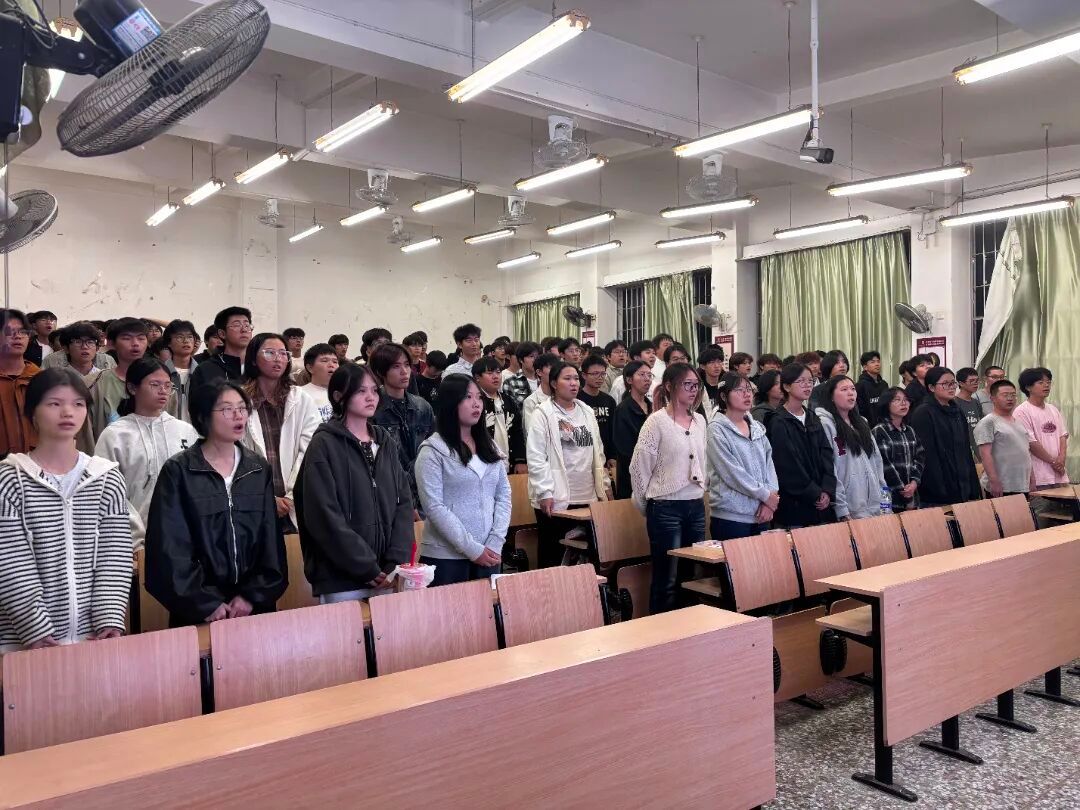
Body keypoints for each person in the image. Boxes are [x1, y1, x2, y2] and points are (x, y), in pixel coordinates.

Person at [0, 368, 132, 652]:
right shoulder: (10, 479)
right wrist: (34, 628)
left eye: (78, 404)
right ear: (33, 412)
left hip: (92, 639)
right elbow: (10, 562)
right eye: (54, 403)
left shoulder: (106, 477)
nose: (68, 412)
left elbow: (115, 553)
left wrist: (110, 616)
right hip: (22, 642)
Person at [145, 380, 287, 627]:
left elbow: (271, 543)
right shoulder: (179, 471)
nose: (238, 416)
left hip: (253, 609)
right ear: (203, 416)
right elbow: (169, 547)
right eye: (226, 409)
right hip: (197, 611)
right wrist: (204, 603)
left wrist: (252, 596)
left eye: (242, 408)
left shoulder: (257, 468)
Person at [295, 364, 413, 604]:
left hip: (387, 574)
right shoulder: (324, 445)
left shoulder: (385, 442)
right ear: (339, 396)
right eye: (361, 391)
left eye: (374, 390)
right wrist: (365, 566)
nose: (371, 397)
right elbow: (323, 515)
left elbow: (403, 502)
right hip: (341, 577)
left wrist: (395, 561)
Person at [416, 375, 511, 586]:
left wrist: (496, 541)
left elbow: (503, 495)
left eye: (479, 397)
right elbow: (434, 507)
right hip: (446, 557)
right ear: (450, 403)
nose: (476, 404)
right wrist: (473, 550)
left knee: (488, 607)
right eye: (468, 397)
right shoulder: (432, 451)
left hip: (490, 553)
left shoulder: (490, 446)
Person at [94, 357, 199, 549]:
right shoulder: (115, 435)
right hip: (132, 540)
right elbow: (107, 491)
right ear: (132, 388)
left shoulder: (185, 431)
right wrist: (135, 537)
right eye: (155, 385)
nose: (163, 391)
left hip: (185, 535)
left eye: (168, 385)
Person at [630, 364, 707, 613]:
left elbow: (703, 462)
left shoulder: (700, 421)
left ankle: (688, 627)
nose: (693, 390)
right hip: (665, 507)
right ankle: (661, 629)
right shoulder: (656, 422)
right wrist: (648, 505)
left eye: (696, 385)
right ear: (670, 386)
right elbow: (638, 469)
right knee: (667, 578)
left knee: (691, 576)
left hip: (695, 505)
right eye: (687, 384)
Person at [526, 361, 607, 567]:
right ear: (554, 383)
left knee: (587, 556)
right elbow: (536, 457)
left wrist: (604, 485)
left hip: (586, 494)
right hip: (556, 496)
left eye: (576, 379)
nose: (574, 383)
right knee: (553, 554)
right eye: (567, 378)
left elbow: (598, 451)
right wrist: (544, 492)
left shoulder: (586, 411)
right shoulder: (542, 413)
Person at [241, 332, 321, 535]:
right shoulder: (238, 399)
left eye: (283, 353)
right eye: (270, 353)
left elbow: (310, 450)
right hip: (252, 502)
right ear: (253, 358)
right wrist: (265, 497)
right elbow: (235, 455)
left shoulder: (301, 399)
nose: (278, 358)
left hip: (294, 502)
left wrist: (291, 496)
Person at [707, 372, 780, 540]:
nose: (747, 394)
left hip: (762, 513)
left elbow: (769, 466)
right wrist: (766, 496)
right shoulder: (717, 429)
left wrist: (770, 500)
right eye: (739, 390)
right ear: (724, 396)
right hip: (731, 516)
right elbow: (732, 473)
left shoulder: (757, 427)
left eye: (749, 389)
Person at [767, 364, 837, 527]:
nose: (807, 385)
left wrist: (827, 490)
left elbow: (826, 454)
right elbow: (787, 465)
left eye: (810, 381)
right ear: (786, 386)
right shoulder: (778, 421)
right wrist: (814, 493)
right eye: (801, 381)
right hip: (794, 506)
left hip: (821, 503)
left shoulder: (812, 417)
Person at [370, 342, 435, 511]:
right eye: (396, 366)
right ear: (381, 372)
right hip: (390, 495)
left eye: (406, 365)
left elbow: (434, 449)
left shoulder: (422, 406)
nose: (404, 371)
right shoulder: (373, 409)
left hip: (425, 490)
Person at [815, 375, 887, 520]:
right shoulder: (825, 424)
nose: (850, 393)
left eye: (853, 389)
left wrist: (886, 505)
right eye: (844, 389)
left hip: (875, 509)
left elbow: (878, 465)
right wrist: (842, 510)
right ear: (831, 396)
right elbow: (831, 468)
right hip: (848, 510)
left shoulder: (862, 422)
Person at [909, 367, 981, 507]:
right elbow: (925, 455)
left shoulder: (957, 410)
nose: (951, 387)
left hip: (961, 483)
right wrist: (940, 487)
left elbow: (965, 449)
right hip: (937, 489)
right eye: (945, 384)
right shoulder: (923, 412)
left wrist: (973, 485)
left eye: (953, 383)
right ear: (931, 387)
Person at [87, 317, 149, 440]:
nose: (135, 343)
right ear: (111, 343)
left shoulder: (162, 383)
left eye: (141, 338)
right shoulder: (93, 383)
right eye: (126, 338)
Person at [974, 379, 1034, 498]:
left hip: (1022, 484)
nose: (1010, 398)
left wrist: (1032, 477)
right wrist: (994, 481)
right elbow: (985, 454)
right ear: (992, 398)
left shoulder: (1019, 422)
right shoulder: (988, 422)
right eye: (1005, 395)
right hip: (1002, 486)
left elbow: (1026, 452)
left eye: (1013, 395)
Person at [1014, 367, 1069, 490]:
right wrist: (1053, 462)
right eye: (1041, 382)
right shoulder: (1021, 411)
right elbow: (1031, 442)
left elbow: (1063, 435)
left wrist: (1061, 459)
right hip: (1039, 476)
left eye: (1048, 382)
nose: (1046, 385)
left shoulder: (1053, 409)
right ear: (1028, 387)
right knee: (1041, 503)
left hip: (1059, 473)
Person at [871, 388, 925, 513]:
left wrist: (914, 483)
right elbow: (884, 465)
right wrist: (903, 490)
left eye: (906, 400)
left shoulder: (910, 430)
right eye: (897, 400)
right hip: (887, 495)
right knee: (889, 524)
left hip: (912, 494)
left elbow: (920, 457)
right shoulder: (879, 431)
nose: (903, 403)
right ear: (886, 404)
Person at [471, 356, 525, 472]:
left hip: (509, 463)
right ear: (477, 377)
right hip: (484, 464)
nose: (495, 376)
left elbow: (517, 432)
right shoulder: (474, 404)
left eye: (498, 372)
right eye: (490, 373)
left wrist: (520, 460)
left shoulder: (508, 400)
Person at [1, 309, 41, 459]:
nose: (17, 336)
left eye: (23, 332)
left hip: (36, 463)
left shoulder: (41, 379)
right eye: (9, 332)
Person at [189, 307, 253, 400]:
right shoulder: (206, 370)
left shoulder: (258, 366)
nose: (244, 330)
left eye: (247, 325)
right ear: (222, 333)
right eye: (237, 325)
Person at [611, 359, 653, 500]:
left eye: (649, 375)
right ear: (629, 380)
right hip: (631, 476)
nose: (647, 379)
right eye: (642, 375)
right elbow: (624, 449)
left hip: (653, 474)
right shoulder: (623, 409)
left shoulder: (652, 407)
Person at [578, 354, 617, 470]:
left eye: (603, 374)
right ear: (584, 375)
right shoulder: (577, 400)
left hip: (605, 455)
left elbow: (612, 430)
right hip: (584, 457)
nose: (600, 377)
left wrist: (612, 455)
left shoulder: (609, 400)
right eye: (595, 373)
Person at [161, 319, 200, 423]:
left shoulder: (202, 372)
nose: (186, 341)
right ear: (169, 343)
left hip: (197, 431)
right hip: (168, 429)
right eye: (179, 337)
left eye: (190, 337)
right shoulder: (161, 373)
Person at [300, 343, 339, 422]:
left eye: (335, 362)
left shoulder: (343, 393)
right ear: (310, 368)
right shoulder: (300, 394)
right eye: (324, 361)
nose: (331, 365)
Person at [521, 352, 558, 433]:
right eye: (551, 368)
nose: (555, 372)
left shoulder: (565, 396)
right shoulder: (531, 402)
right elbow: (532, 432)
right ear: (539, 372)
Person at [502, 340, 541, 410]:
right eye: (531, 356)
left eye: (537, 356)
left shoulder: (544, 379)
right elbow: (510, 410)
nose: (534, 360)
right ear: (520, 360)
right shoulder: (510, 382)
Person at [855, 351, 889, 426]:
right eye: (872, 362)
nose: (877, 364)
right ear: (865, 367)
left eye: (878, 361)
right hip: (867, 426)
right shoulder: (860, 385)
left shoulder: (884, 384)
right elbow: (860, 410)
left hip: (884, 425)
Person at [953, 367, 983, 450]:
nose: (976, 383)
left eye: (977, 380)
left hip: (976, 445)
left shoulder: (976, 402)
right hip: (961, 447)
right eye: (972, 381)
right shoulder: (953, 403)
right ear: (961, 383)